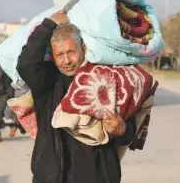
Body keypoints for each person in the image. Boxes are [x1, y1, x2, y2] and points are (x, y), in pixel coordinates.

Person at [16, 10, 137, 183]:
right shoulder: (47, 82)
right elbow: (26, 64)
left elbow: (130, 126)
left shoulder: (107, 78)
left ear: (84, 49)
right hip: (51, 178)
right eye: (60, 54)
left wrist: (123, 129)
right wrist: (49, 24)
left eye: (71, 52)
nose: (67, 60)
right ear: (52, 56)